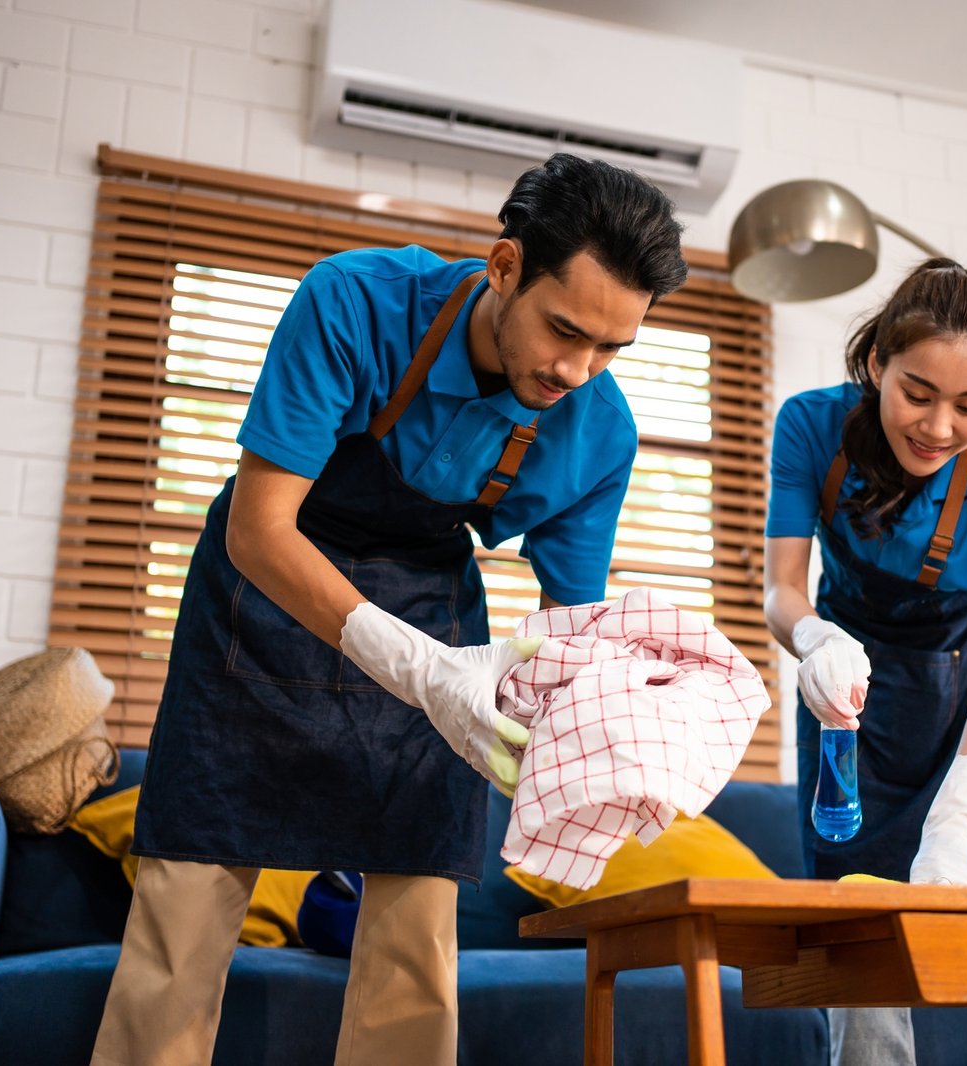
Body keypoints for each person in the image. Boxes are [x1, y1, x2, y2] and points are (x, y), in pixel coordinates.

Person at [90, 153, 687, 1066]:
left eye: (613, 348)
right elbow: (259, 529)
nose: (580, 368)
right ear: (504, 265)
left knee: (417, 936)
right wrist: (418, 669)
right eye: (565, 330)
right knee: (185, 903)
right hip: (260, 601)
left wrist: (597, 743)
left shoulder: (598, 429)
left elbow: (572, 626)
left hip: (429, 602)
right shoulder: (355, 304)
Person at [763, 258, 967, 1065]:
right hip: (851, 696)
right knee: (856, 931)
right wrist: (816, 640)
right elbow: (781, 590)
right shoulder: (811, 428)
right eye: (917, 392)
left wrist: (959, 816)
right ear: (877, 363)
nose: (938, 426)